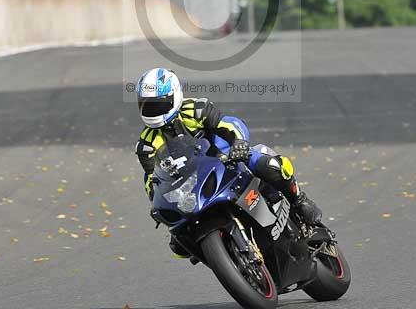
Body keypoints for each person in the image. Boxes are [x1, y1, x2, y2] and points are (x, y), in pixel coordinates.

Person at [134, 67, 322, 258]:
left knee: (270, 165)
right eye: (147, 104)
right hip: (191, 186)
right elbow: (152, 180)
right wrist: (158, 201)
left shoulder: (195, 109)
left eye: (158, 104)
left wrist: (238, 143)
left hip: (227, 159)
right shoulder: (146, 145)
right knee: (179, 244)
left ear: (174, 95)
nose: (152, 110)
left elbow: (230, 123)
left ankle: (299, 200)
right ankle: (227, 255)